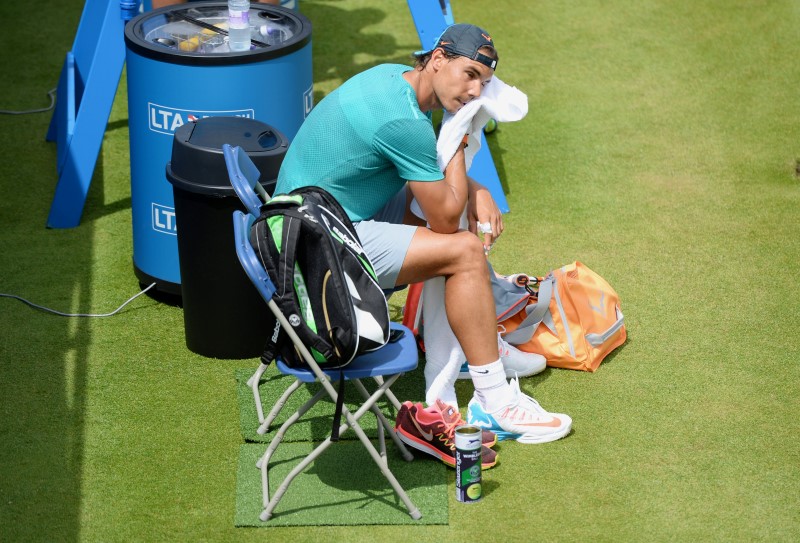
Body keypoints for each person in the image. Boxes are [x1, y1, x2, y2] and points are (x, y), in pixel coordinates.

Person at [274, 24, 572, 464]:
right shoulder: (403, 121)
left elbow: (428, 181)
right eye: (469, 74)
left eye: (483, 84)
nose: (475, 92)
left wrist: (476, 187)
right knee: (462, 249)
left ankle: (475, 349)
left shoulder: (396, 80)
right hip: (318, 251)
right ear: (437, 59)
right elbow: (447, 217)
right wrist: (460, 134)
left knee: (445, 235)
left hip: (306, 222)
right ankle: (494, 399)